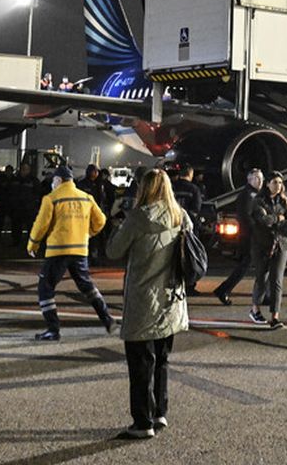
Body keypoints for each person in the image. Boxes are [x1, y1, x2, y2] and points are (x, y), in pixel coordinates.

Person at [105, 169, 190, 440]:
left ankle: (142, 422)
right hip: (171, 298)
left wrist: (119, 224)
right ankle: (159, 412)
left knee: (140, 362)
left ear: (144, 188)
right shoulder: (180, 215)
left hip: (145, 299)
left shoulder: (138, 219)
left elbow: (113, 251)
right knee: (161, 359)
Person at [27, 165, 115, 341]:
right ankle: (107, 319)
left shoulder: (51, 199)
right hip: (80, 250)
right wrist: (88, 234)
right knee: (87, 286)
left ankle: (53, 329)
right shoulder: (86, 198)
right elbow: (101, 220)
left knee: (45, 288)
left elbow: (41, 225)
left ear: (59, 180)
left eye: (54, 180)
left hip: (57, 251)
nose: (52, 183)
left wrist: (33, 244)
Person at [213, 169, 263, 306]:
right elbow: (245, 217)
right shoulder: (247, 195)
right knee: (246, 265)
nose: (260, 181)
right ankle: (224, 289)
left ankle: (264, 294)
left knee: (252, 265)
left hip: (251, 235)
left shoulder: (253, 194)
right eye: (256, 178)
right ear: (249, 180)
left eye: (261, 178)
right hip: (250, 236)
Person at [249, 171, 287, 328]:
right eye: (274, 182)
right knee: (261, 277)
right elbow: (263, 220)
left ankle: (275, 316)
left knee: (277, 280)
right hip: (262, 244)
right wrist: (277, 218)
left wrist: (280, 220)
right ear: (267, 184)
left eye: (280, 183)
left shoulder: (284, 201)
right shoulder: (259, 201)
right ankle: (255, 309)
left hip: (281, 243)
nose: (278, 186)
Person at [77, 164, 116, 262]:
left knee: (99, 237)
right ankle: (89, 256)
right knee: (89, 237)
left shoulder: (101, 184)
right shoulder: (82, 184)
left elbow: (107, 197)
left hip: (98, 214)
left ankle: (97, 256)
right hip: (86, 214)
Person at [10, 162, 41, 245]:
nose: (24, 171)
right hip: (17, 208)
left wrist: (35, 205)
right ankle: (16, 241)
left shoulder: (33, 181)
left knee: (30, 227)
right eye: (22, 169)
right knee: (16, 226)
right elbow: (10, 192)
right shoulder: (15, 180)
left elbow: (38, 193)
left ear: (29, 170)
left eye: (26, 169)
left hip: (29, 208)